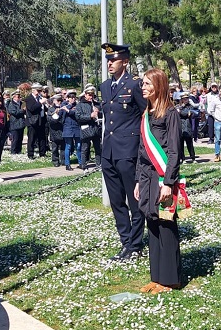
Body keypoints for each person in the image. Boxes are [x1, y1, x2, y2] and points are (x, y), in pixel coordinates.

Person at [133, 68, 182, 293]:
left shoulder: (170, 113)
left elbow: (174, 152)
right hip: (146, 177)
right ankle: (156, 276)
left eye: (147, 84)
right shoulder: (146, 114)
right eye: (142, 84)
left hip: (163, 178)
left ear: (158, 86)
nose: (143, 87)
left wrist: (169, 182)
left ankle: (170, 279)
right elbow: (142, 151)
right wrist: (137, 182)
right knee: (151, 224)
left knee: (166, 225)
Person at [100, 43, 148, 260]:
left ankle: (135, 244)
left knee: (134, 200)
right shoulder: (104, 86)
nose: (110, 63)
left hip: (128, 151)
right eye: (108, 60)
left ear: (125, 62)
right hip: (109, 151)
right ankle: (126, 242)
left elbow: (145, 116)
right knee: (116, 200)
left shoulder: (135, 85)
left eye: (114, 60)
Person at [75, 85, 100, 171]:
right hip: (85, 129)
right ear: (85, 95)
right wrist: (90, 116)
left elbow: (103, 114)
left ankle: (98, 164)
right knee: (85, 148)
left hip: (96, 129)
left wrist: (98, 112)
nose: (91, 97)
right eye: (89, 95)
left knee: (98, 148)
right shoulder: (80, 105)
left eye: (92, 95)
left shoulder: (96, 104)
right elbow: (78, 117)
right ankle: (84, 165)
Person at [62, 89, 82, 170]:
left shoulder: (77, 105)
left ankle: (80, 163)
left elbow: (75, 113)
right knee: (68, 146)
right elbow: (61, 115)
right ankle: (67, 164)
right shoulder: (63, 105)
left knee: (78, 146)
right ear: (67, 98)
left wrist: (68, 109)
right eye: (71, 97)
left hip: (76, 128)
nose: (73, 98)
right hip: (68, 128)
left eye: (74, 97)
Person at [176, 92, 197, 163]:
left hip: (188, 126)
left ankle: (193, 157)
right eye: (184, 99)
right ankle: (183, 158)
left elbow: (194, 113)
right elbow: (182, 113)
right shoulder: (178, 106)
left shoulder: (190, 106)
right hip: (181, 127)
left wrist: (191, 113)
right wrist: (183, 108)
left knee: (190, 144)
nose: (186, 100)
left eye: (187, 98)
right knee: (181, 144)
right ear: (181, 99)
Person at [47, 93, 67, 166]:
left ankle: (63, 160)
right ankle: (55, 161)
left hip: (62, 130)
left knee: (63, 147)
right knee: (55, 148)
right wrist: (56, 114)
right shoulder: (51, 109)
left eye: (60, 100)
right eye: (58, 100)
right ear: (54, 101)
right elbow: (50, 120)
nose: (59, 102)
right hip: (54, 130)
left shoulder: (63, 108)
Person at [7, 88, 27, 154]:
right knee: (15, 139)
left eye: (19, 96)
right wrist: (23, 110)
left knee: (20, 139)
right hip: (14, 124)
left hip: (21, 124)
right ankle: (13, 152)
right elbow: (14, 112)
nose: (19, 98)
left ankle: (19, 151)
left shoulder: (21, 103)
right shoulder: (11, 104)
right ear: (13, 97)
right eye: (17, 96)